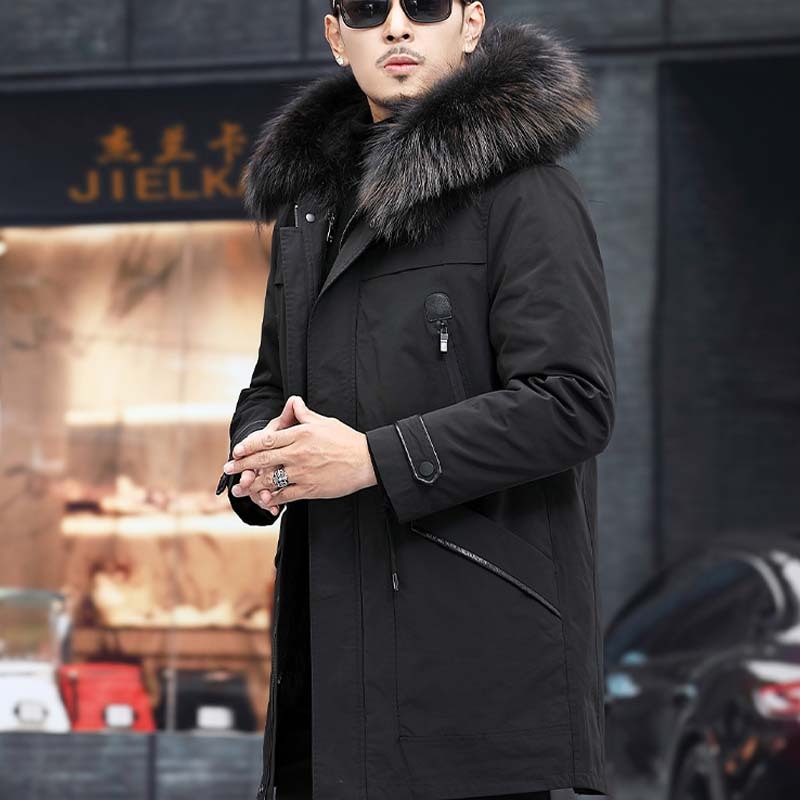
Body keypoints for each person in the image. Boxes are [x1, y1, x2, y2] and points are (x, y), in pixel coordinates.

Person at [217, 1, 616, 799]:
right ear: (337, 36)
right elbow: (272, 382)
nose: (397, 27)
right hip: (327, 670)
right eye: (369, 10)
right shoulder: (310, 207)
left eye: (425, 6)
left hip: (474, 678)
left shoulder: (526, 191)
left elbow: (573, 402)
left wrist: (373, 459)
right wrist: (262, 457)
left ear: (469, 24)